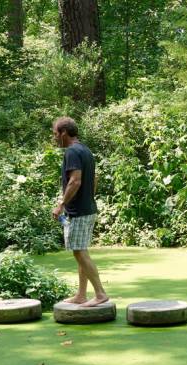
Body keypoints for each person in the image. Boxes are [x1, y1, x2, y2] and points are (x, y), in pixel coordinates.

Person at [51, 117, 109, 307]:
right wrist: (88, 198)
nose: (54, 138)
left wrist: (61, 204)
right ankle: (81, 295)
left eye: (55, 134)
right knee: (80, 250)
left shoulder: (72, 152)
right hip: (87, 208)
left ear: (64, 133)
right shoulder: (85, 150)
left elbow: (75, 181)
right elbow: (94, 179)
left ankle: (100, 293)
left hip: (78, 211)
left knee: (79, 252)